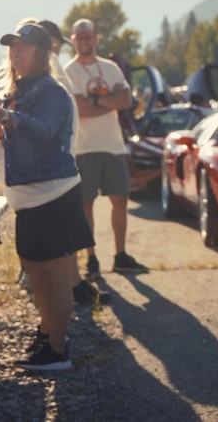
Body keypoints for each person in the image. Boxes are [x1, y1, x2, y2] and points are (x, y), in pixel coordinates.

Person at [0, 22, 94, 371]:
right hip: (29, 200)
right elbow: (17, 132)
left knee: (55, 276)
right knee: (37, 274)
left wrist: (5, 117)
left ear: (42, 53)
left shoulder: (51, 90)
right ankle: (47, 333)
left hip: (53, 196)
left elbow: (43, 129)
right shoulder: (18, 90)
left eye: (23, 46)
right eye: (12, 46)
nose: (15, 51)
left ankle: (58, 351)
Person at [64, 18, 147, 278]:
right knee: (86, 204)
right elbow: (80, 109)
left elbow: (126, 100)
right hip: (84, 147)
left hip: (113, 146)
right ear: (73, 40)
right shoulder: (69, 72)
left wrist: (96, 99)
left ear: (96, 39)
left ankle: (121, 255)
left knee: (120, 199)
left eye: (89, 36)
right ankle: (91, 258)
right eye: (80, 37)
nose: (85, 41)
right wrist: (108, 101)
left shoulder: (110, 68)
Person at [36, 19, 109, 306]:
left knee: (64, 223)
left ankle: (68, 281)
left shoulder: (47, 66)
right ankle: (72, 283)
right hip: (63, 157)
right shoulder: (50, 65)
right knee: (67, 223)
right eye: (57, 43)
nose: (57, 48)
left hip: (63, 155)